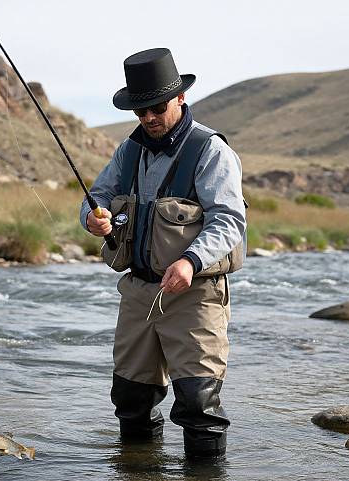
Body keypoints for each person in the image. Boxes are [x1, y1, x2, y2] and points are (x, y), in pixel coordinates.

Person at [80, 48, 247, 459]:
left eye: (156, 108)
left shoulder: (211, 150)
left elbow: (229, 220)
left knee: (198, 405)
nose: (149, 118)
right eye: (141, 111)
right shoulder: (129, 150)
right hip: (138, 292)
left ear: (180, 99)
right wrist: (93, 217)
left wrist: (190, 261)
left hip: (195, 295)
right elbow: (97, 196)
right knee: (130, 401)